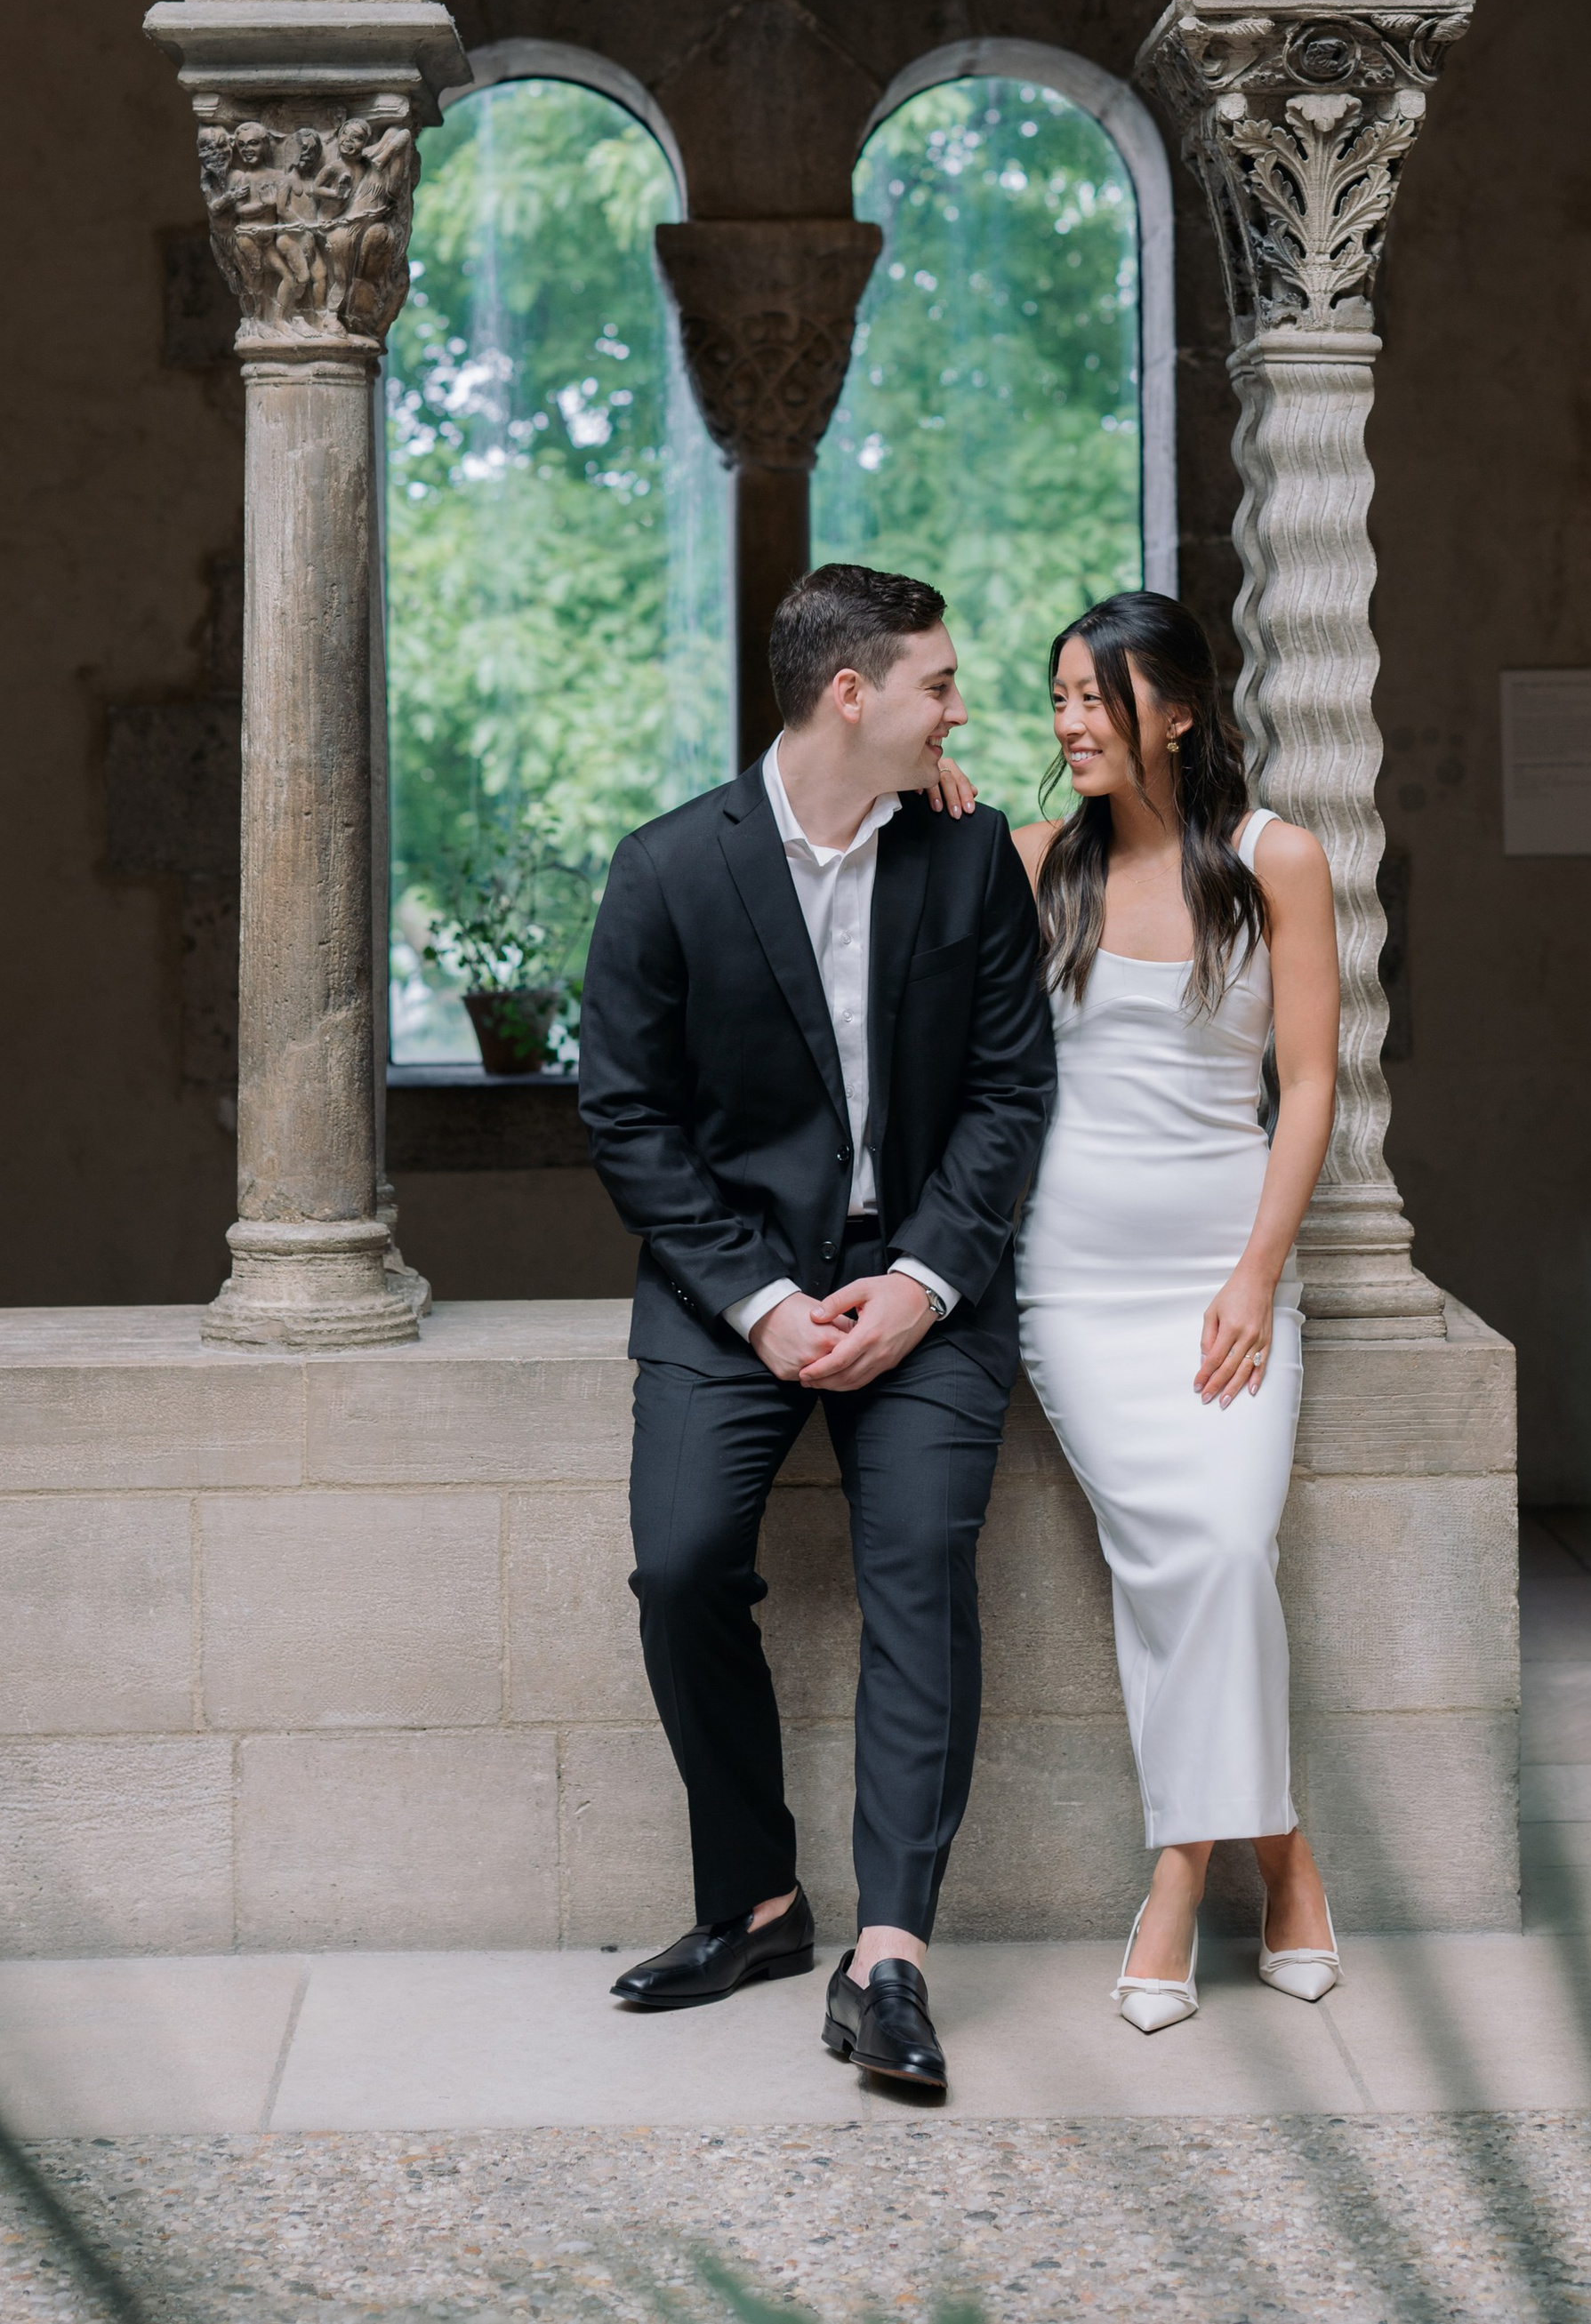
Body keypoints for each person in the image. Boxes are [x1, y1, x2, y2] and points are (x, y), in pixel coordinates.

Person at [578, 563, 1057, 2098]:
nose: (959, 709)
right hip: (734, 1288)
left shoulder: (971, 854)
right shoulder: (666, 870)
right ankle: (761, 1902)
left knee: (919, 1562)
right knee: (683, 1560)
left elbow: (1005, 1095)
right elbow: (627, 1119)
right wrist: (770, 1306)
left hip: (928, 1275)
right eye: (939, 682)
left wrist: (921, 1280)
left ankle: (892, 1956)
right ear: (850, 694)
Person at [1010, 590, 1344, 2033]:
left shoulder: (1280, 861)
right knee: (1188, 1563)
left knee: (1218, 1546)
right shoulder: (1029, 863)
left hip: (1223, 1280)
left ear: (1182, 708)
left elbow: (1312, 1086)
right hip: (1074, 1285)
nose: (1075, 722)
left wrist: (1258, 1274)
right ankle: (1286, 1858)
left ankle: (1178, 1875)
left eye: (1101, 695)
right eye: (1062, 698)